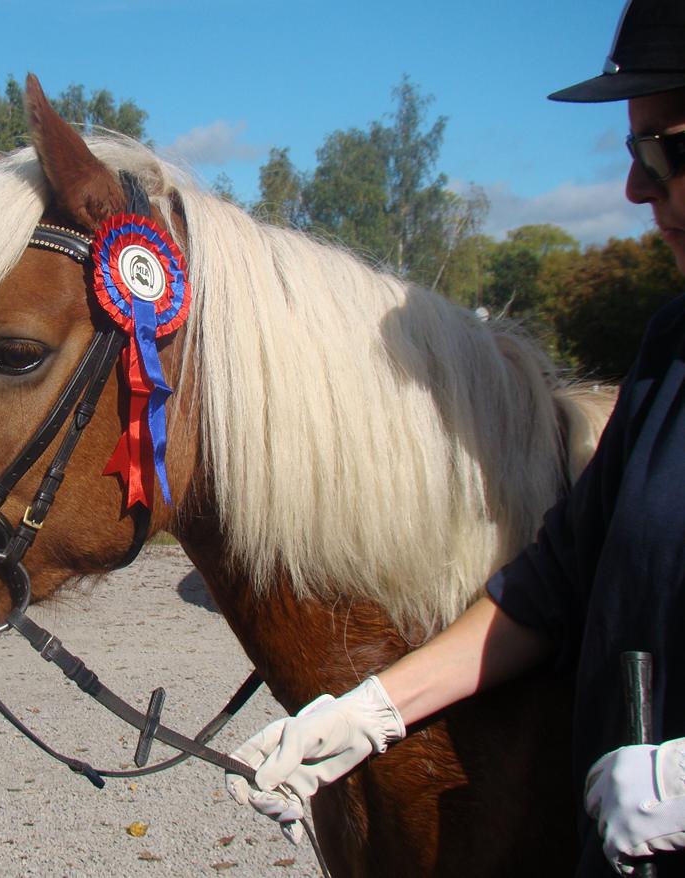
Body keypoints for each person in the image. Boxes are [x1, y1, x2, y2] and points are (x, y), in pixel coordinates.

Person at [225, 1, 685, 875]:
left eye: (669, 150)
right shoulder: (671, 354)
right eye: (634, 152)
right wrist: (366, 713)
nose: (636, 187)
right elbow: (547, 592)